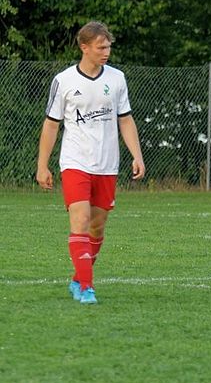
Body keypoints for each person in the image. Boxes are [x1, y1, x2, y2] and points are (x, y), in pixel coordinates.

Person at [36, 21, 146, 305]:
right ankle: (87, 287)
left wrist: (137, 155)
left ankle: (78, 278)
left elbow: (125, 119)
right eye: (100, 47)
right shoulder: (64, 81)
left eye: (108, 47)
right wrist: (42, 165)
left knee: (97, 226)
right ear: (84, 47)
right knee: (80, 219)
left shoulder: (117, 79)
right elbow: (51, 125)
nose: (106, 52)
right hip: (75, 161)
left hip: (107, 163)